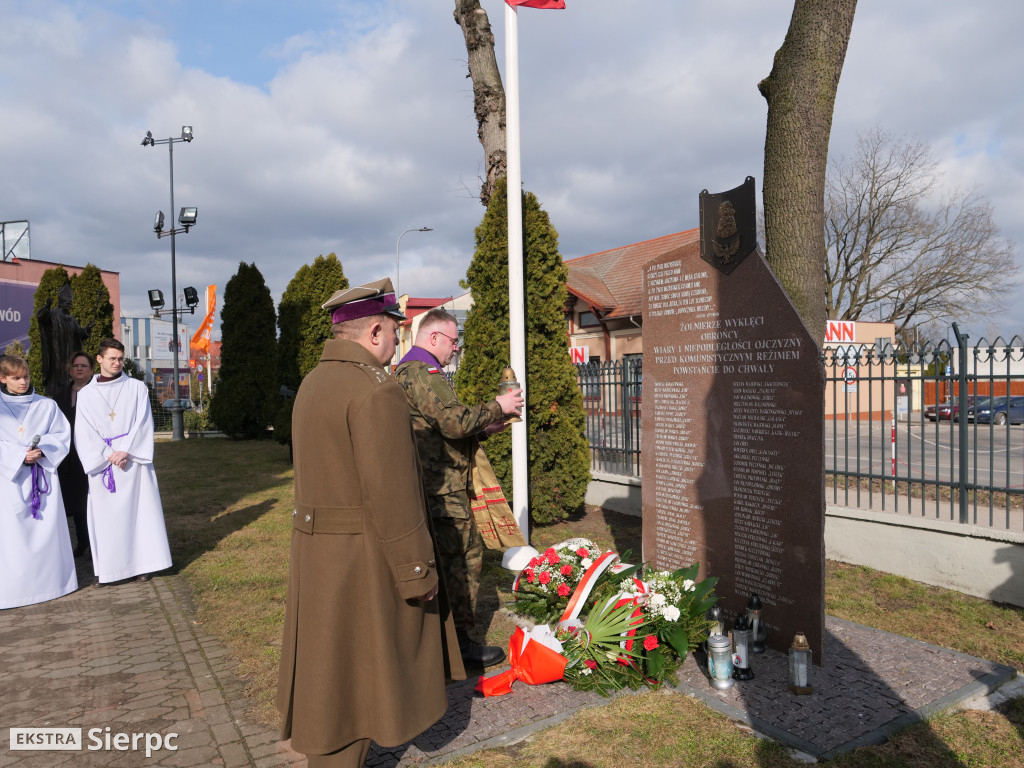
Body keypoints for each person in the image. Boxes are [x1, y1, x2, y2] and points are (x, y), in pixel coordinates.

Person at [277, 278, 464, 768]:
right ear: (376, 331)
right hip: (364, 555)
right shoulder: (375, 391)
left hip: (317, 553)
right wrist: (417, 572)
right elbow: (394, 494)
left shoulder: (313, 382)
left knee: (329, 674)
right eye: (396, 333)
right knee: (363, 677)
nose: (398, 343)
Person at [394, 308, 523, 667]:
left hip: (433, 482)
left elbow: (436, 428)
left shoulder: (410, 370)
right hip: (442, 487)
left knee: (446, 561)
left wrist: (481, 429)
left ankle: (445, 643)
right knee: (462, 561)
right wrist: (499, 406)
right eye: (453, 341)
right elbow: (452, 422)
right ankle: (460, 647)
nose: (456, 349)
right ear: (434, 338)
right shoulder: (422, 371)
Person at [74, 338, 171, 586]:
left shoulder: (137, 388)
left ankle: (144, 565)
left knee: (140, 515)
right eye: (112, 359)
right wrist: (107, 454)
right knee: (107, 519)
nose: (117, 363)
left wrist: (126, 450)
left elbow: (143, 422)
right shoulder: (86, 394)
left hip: (133, 463)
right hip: (104, 464)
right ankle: (111, 570)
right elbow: (83, 432)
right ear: (99, 359)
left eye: (120, 359)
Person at [0, 354, 78, 609]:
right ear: (2, 378)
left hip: (42, 476)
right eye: (16, 378)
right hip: (9, 481)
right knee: (12, 536)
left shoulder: (46, 405)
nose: (23, 382)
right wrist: (18, 456)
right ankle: (15, 590)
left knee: (45, 529)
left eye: (26, 377)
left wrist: (42, 449)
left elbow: (61, 435)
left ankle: (53, 582)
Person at [53, 350, 94, 558]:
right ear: (69, 370)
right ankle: (82, 542)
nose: (79, 369)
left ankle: (96, 544)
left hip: (91, 455)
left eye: (83, 365)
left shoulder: (97, 393)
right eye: (75, 365)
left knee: (91, 503)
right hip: (68, 457)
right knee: (75, 504)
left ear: (91, 370)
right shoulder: (60, 396)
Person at [36, 282, 92, 396]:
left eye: (70, 303)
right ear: (61, 302)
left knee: (70, 377)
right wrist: (47, 306)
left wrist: (86, 330)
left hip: (70, 354)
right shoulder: (53, 315)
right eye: (66, 303)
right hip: (56, 355)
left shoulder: (71, 319)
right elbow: (41, 318)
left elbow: (78, 334)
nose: (68, 305)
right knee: (57, 380)